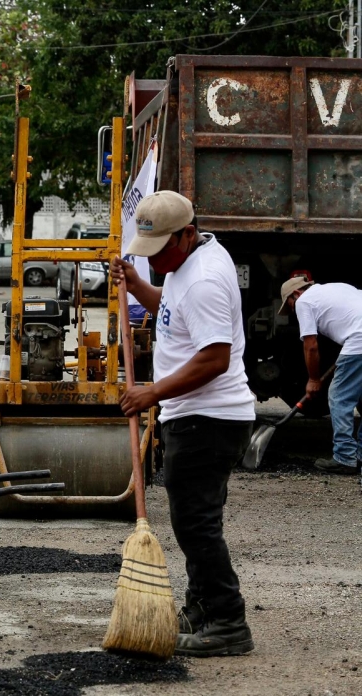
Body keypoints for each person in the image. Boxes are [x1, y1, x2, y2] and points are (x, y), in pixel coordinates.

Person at [110, 190, 256, 657]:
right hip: (195, 415)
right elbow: (174, 317)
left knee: (196, 525)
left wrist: (151, 392)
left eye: (161, 253)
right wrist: (138, 286)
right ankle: (201, 609)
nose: (155, 263)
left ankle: (228, 621)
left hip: (208, 418)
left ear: (187, 234)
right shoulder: (184, 264)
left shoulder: (204, 280)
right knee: (193, 520)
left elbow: (214, 357)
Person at [278, 277, 362, 475]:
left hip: (359, 340)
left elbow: (311, 345)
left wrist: (314, 379)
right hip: (358, 337)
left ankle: (344, 457)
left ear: (296, 293)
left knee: (339, 397)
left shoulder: (304, 302)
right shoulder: (339, 286)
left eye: (289, 304)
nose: (292, 310)